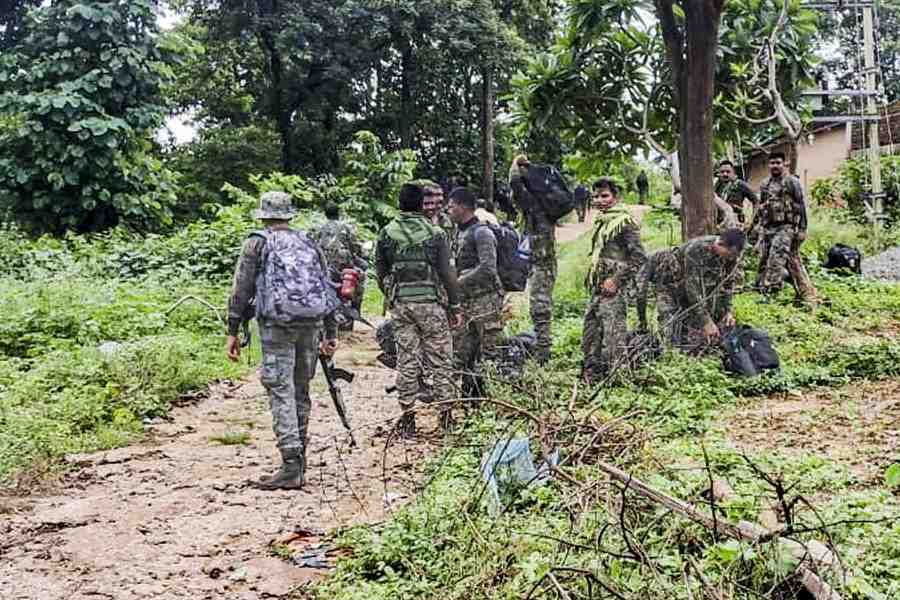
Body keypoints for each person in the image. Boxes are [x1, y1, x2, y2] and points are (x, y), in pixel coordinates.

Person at [225, 191, 339, 490]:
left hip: (276, 326)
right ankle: (300, 460)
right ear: (289, 215)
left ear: (263, 215)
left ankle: (290, 464)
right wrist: (331, 332)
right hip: (311, 324)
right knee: (301, 390)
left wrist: (233, 329)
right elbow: (326, 285)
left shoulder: (256, 243)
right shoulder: (307, 241)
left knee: (281, 391)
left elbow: (241, 288)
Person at [375, 183, 462, 436]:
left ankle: (408, 419)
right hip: (431, 305)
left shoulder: (386, 233)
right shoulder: (435, 234)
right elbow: (447, 273)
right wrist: (454, 306)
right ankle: (445, 418)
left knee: (407, 360)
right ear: (420, 204)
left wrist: (393, 295)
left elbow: (380, 272)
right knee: (441, 359)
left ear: (400, 203)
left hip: (401, 306)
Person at [582, 178, 646, 382]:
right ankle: (592, 372)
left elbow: (639, 257)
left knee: (613, 332)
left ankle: (617, 377)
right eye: (596, 196)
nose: (600, 200)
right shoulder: (603, 222)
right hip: (598, 284)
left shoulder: (624, 222)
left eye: (605, 196)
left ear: (615, 197)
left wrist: (616, 281)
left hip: (614, 286)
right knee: (591, 327)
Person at [448, 187, 504, 394]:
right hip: (466, 301)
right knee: (463, 350)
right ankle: (469, 394)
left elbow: (488, 268)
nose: (448, 210)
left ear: (463, 207)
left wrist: (458, 281)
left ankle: (491, 397)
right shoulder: (459, 232)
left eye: (452, 206)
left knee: (488, 351)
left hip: (486, 301)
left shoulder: (482, 233)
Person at [750, 152, 817, 303]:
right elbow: (761, 207)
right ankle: (760, 288)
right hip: (768, 228)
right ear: (769, 165)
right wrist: (754, 227)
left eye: (778, 163)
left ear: (784, 163)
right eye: (772, 163)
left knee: (776, 258)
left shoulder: (791, 182)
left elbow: (801, 206)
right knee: (764, 258)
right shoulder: (765, 184)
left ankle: (771, 292)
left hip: (785, 227)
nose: (775, 166)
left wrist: (802, 229)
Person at [508, 154, 556, 364]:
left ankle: (543, 355)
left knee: (540, 308)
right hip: (541, 263)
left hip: (542, 265)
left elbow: (515, 184)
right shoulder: (543, 207)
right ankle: (542, 350)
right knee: (540, 307)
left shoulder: (536, 207)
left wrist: (515, 165)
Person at [673, 229, 745, 349]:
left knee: (719, 319)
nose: (731, 258)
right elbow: (692, 288)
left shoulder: (732, 254)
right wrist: (706, 322)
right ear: (721, 244)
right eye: (730, 254)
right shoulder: (696, 249)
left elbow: (727, 282)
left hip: (703, 279)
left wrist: (728, 310)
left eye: (734, 255)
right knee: (679, 335)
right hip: (674, 279)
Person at [311, 202, 367, 330]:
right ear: (339, 213)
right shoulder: (346, 228)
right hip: (343, 268)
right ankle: (352, 315)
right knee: (359, 284)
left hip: (323, 268)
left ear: (325, 214)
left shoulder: (318, 228)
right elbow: (356, 247)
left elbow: (312, 246)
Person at [635, 247, 682, 344]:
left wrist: (642, 322)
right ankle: (671, 346)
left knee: (671, 315)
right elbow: (641, 293)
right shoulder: (647, 264)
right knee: (668, 316)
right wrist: (643, 321)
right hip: (666, 284)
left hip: (676, 282)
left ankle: (673, 345)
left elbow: (641, 293)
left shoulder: (647, 262)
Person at [714, 160, 757, 226]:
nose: (725, 174)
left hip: (736, 224)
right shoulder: (717, 186)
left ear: (733, 172)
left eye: (728, 172)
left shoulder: (740, 184)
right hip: (720, 224)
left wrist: (753, 220)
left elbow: (756, 201)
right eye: (722, 172)